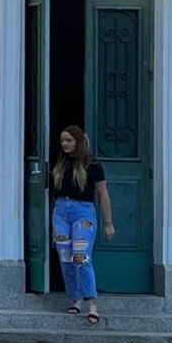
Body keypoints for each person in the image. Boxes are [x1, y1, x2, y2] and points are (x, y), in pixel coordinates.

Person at [52, 125, 114, 324]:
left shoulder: (92, 165)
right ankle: (74, 300)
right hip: (61, 210)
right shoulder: (59, 164)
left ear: (78, 141)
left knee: (81, 256)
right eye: (62, 140)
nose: (64, 144)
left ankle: (92, 304)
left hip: (83, 212)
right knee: (66, 257)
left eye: (69, 140)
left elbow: (103, 193)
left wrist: (108, 222)